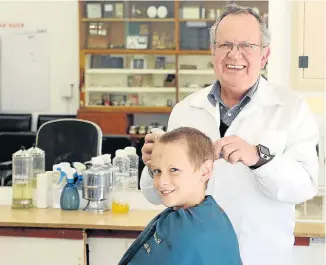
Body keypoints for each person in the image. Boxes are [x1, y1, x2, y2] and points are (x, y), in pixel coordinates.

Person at [140, 4, 319, 265]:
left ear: (265, 55)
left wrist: (259, 158)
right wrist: (153, 167)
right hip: (192, 255)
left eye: (247, 45)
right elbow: (154, 195)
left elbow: (304, 187)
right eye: (225, 45)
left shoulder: (291, 109)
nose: (235, 54)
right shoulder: (185, 110)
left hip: (259, 256)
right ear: (213, 51)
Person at [119, 127, 242, 265]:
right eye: (157, 171)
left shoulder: (193, 235)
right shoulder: (204, 214)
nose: (162, 182)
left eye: (174, 170)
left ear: (204, 171)